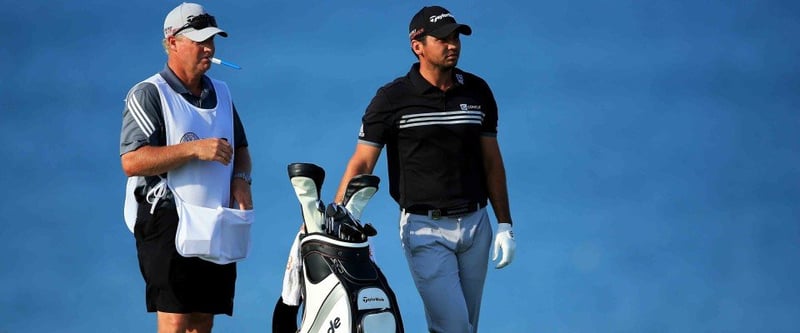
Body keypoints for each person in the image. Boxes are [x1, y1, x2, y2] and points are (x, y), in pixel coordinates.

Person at [334, 5, 516, 333]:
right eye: (443, 39)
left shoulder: (478, 92)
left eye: (456, 37)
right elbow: (362, 162)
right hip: (424, 229)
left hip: (477, 225)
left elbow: (493, 162)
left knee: (466, 327)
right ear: (418, 46)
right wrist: (334, 223)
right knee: (454, 327)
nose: (453, 45)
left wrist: (505, 224)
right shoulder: (392, 99)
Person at [119, 3, 252, 332]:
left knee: (203, 321)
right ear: (173, 42)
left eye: (212, 40)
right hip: (167, 218)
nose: (209, 48)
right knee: (176, 320)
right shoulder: (149, 93)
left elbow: (242, 149)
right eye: (199, 40)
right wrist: (194, 149)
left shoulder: (221, 91)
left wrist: (241, 180)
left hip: (215, 217)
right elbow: (132, 160)